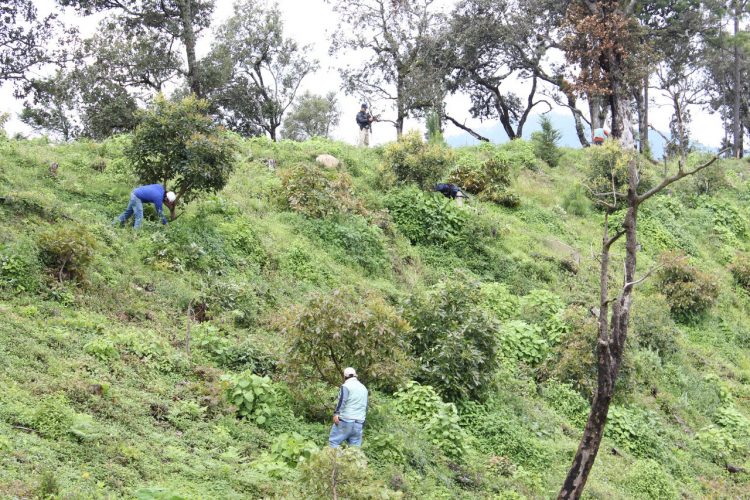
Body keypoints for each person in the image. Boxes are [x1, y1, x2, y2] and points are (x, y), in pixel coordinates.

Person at [329, 367, 368, 448]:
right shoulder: (364, 388)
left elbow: (342, 400)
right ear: (355, 376)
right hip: (359, 423)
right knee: (354, 449)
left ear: (344, 377)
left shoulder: (346, 386)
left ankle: (335, 460)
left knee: (334, 443)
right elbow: (365, 405)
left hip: (345, 421)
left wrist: (336, 414)